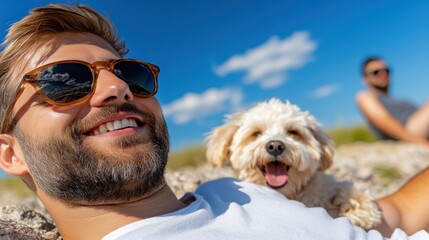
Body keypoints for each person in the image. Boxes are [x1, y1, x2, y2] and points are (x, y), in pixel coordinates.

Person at [0, 4, 428, 240]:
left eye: (130, 73)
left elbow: (397, 215)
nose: (117, 90)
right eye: (65, 80)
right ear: (10, 152)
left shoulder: (238, 193)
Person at [356, 57, 429, 148]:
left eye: (386, 70)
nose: (382, 74)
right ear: (365, 79)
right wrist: (423, 143)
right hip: (409, 132)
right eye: (376, 72)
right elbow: (384, 122)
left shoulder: (401, 100)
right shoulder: (365, 96)